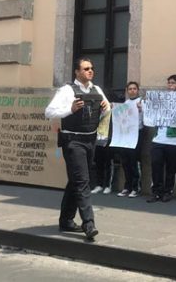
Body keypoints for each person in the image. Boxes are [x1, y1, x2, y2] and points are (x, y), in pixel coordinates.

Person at [45, 57, 109, 241]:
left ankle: (66, 220)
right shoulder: (66, 91)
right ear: (77, 72)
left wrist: (105, 108)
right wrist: (70, 109)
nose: (90, 71)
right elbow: (49, 112)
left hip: (90, 140)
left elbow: (106, 111)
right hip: (73, 141)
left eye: (91, 68)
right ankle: (89, 224)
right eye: (86, 68)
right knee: (82, 181)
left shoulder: (97, 90)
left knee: (76, 181)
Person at [148, 75, 176, 203]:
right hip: (158, 138)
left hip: (174, 139)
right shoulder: (161, 98)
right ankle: (156, 191)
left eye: (173, 83)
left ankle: (168, 191)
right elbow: (151, 113)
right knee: (156, 165)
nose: (170, 85)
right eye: (169, 83)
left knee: (171, 168)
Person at [115, 81, 143, 198]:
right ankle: (127, 186)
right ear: (127, 91)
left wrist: (141, 109)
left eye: (134, 89)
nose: (132, 91)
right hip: (125, 135)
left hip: (137, 134)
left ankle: (136, 187)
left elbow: (148, 117)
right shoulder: (126, 103)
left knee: (134, 161)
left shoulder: (141, 102)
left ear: (138, 90)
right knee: (125, 161)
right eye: (130, 89)